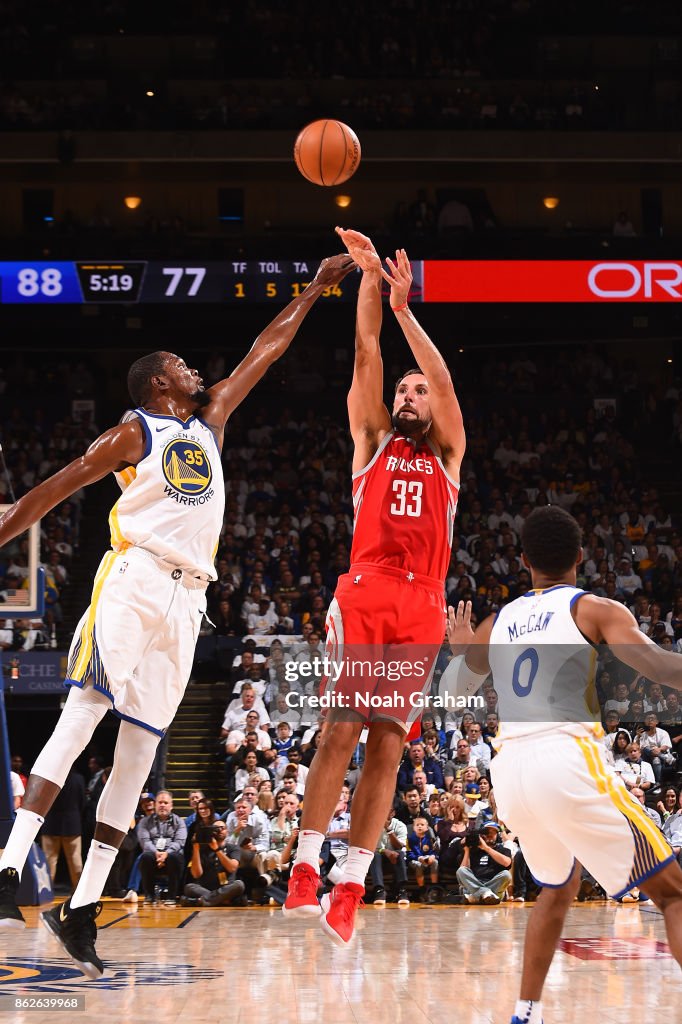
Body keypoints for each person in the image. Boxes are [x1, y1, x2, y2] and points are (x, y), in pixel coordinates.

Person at [0, 253, 354, 977]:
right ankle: (8, 863)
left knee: (138, 752)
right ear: (159, 381)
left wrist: (315, 291)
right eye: (185, 366)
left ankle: (85, 904)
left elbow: (267, 348)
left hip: (189, 599)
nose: (199, 372)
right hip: (133, 579)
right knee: (83, 713)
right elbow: (53, 491)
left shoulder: (211, 421)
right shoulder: (134, 432)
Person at [283, 229, 465, 947]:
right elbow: (366, 354)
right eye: (404, 390)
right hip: (367, 591)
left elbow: (444, 381)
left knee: (390, 748)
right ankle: (304, 866)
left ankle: (350, 883)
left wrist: (406, 308)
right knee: (341, 732)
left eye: (418, 389)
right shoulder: (371, 442)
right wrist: (367, 286)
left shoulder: (449, 453)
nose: (411, 394)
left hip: (422, 601)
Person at [445, 504, 682, 1024]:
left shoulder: (497, 620)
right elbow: (661, 667)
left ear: (524, 560)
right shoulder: (592, 609)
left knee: (558, 885)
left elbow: (461, 679)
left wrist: (461, 648)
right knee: (673, 892)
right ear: (580, 557)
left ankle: (524, 1014)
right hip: (565, 759)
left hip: (510, 774)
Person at [136, 791, 187, 906]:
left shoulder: (179, 822)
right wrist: (157, 853)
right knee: (145, 857)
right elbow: (145, 842)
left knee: (175, 857)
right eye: (160, 802)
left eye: (165, 802)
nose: (162, 805)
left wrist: (166, 854)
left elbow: (179, 842)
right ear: (155, 804)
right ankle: (149, 896)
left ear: (171, 805)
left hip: (171, 856)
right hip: (153, 855)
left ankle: (172, 896)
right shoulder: (145, 822)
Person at [455, 820, 512, 904]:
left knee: (506, 874)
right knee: (461, 871)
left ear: (497, 835)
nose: (490, 835)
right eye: (487, 832)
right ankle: (486, 894)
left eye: (493, 832)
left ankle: (475, 897)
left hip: (493, 884)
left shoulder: (503, 850)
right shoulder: (473, 850)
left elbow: (507, 863)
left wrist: (486, 848)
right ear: (481, 835)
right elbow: (463, 870)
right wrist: (467, 850)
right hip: (474, 883)